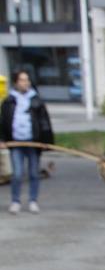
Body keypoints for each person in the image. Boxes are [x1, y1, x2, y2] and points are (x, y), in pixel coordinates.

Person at [2, 68, 54, 214]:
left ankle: (33, 201)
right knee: (17, 173)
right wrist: (2, 139)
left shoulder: (36, 100)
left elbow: (44, 122)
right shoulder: (9, 101)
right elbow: (3, 122)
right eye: (22, 80)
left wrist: (46, 141)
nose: (25, 83)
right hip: (16, 143)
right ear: (16, 82)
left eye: (27, 80)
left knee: (33, 173)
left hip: (33, 142)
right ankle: (15, 201)